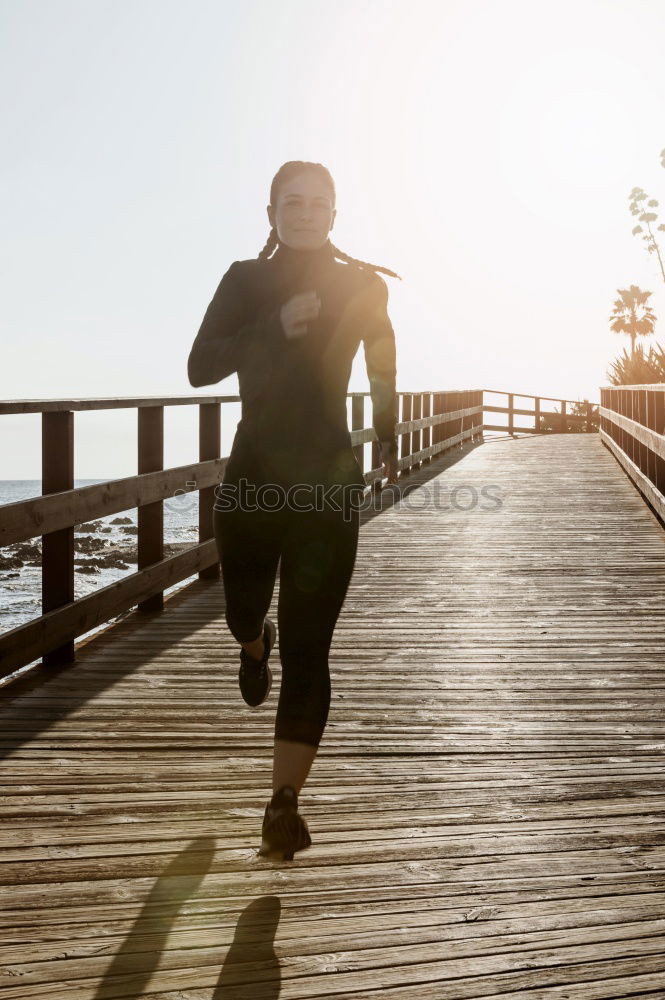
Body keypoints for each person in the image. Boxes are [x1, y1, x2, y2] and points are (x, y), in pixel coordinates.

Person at [187, 160, 400, 859]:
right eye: (292, 202)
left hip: (328, 487)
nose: (306, 212)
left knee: (312, 648)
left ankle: (283, 805)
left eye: (319, 202)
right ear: (272, 211)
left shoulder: (361, 284)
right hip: (252, 481)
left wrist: (390, 440)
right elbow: (200, 365)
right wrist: (273, 327)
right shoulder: (245, 280)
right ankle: (254, 642)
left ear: (335, 213)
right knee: (245, 610)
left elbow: (382, 368)